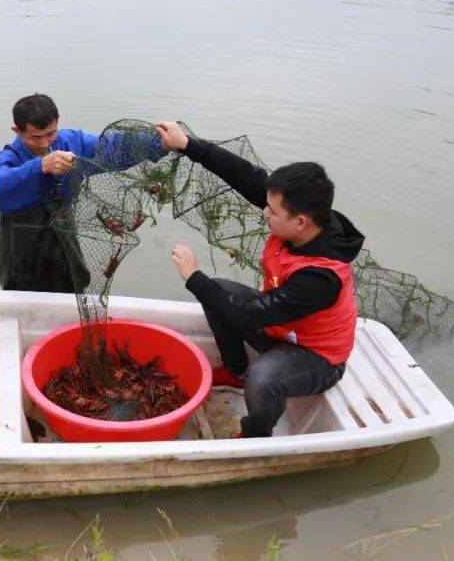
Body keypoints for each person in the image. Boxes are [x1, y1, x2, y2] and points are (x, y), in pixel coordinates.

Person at [156, 121, 364, 438]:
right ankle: (237, 371)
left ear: (300, 222)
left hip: (317, 358)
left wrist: (193, 276)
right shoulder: (300, 216)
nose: (264, 213)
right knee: (221, 290)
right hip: (281, 328)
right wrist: (186, 144)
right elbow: (243, 175)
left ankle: (255, 435)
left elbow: (250, 315)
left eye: (272, 212)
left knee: (264, 376)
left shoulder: (320, 278)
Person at [0, 94, 163, 292]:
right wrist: (41, 166)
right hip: (23, 259)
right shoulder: (9, 158)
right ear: (17, 131)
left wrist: (158, 143)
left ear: (58, 121)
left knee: (73, 287)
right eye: (35, 137)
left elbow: (113, 147)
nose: (44, 143)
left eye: (50, 134)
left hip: (65, 247)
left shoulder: (72, 143)